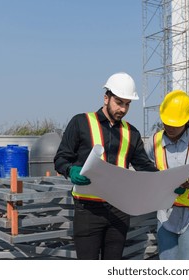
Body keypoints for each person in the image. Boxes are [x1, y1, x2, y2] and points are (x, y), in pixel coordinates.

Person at [54, 72, 158, 260]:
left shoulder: (131, 133)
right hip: (87, 210)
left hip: (119, 210)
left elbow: (145, 167)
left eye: (127, 104)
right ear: (106, 98)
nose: (123, 109)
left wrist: (166, 182)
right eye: (119, 102)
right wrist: (71, 170)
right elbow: (61, 158)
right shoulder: (80, 123)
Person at [145, 90, 189, 260]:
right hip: (166, 216)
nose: (169, 127)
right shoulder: (153, 142)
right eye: (166, 122)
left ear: (187, 120)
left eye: (175, 124)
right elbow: (144, 172)